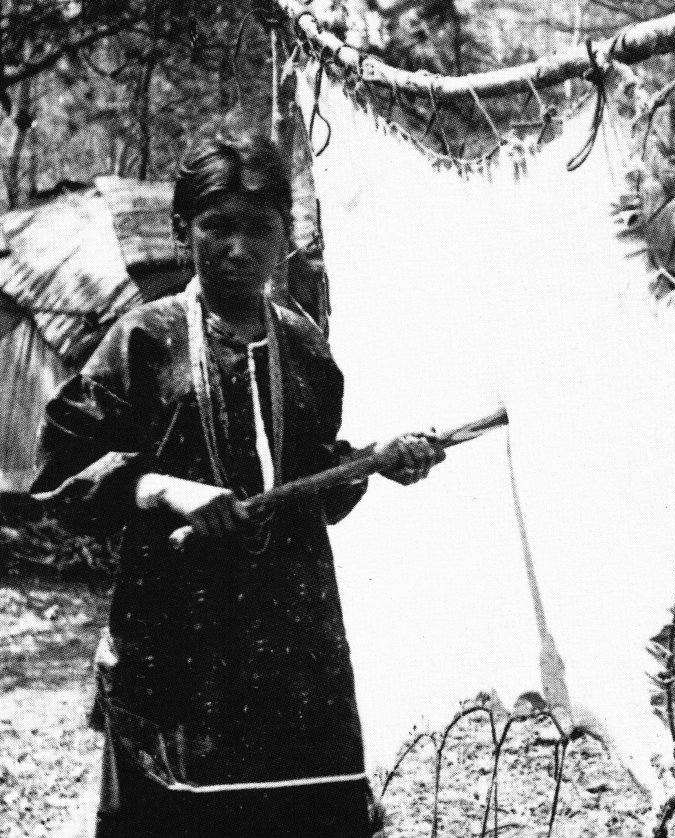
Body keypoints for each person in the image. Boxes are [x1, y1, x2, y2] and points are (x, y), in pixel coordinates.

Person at [31, 127, 445, 838]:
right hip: (180, 638)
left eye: (260, 228)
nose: (238, 248)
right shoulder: (143, 340)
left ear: (286, 237)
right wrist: (162, 488)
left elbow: (312, 485)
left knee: (302, 811)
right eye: (217, 226)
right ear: (181, 230)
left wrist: (376, 461)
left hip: (295, 641)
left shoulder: (304, 345)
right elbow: (60, 473)